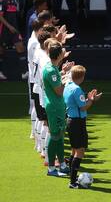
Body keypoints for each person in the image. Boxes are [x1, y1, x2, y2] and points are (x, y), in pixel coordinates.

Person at [64, 65, 102, 189]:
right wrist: (92, 100)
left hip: (70, 120)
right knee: (80, 152)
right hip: (77, 122)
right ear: (82, 77)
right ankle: (73, 182)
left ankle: (71, 177)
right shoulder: (77, 89)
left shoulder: (68, 86)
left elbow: (78, 103)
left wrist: (88, 99)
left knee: (74, 150)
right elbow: (83, 107)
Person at [42, 41, 72, 176]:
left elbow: (56, 79)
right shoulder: (51, 71)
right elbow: (59, 90)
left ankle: (63, 164)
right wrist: (68, 78)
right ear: (60, 55)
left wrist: (63, 72)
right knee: (55, 136)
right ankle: (51, 168)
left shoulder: (52, 68)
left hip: (57, 106)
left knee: (59, 136)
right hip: (54, 107)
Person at [0, 0, 27, 80]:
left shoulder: (15, 0)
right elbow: (0, 16)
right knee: (1, 51)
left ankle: (24, 73)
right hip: (4, 30)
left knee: (20, 47)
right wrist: (9, 26)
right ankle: (0, 72)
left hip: (14, 30)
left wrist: (14, 27)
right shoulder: (2, 0)